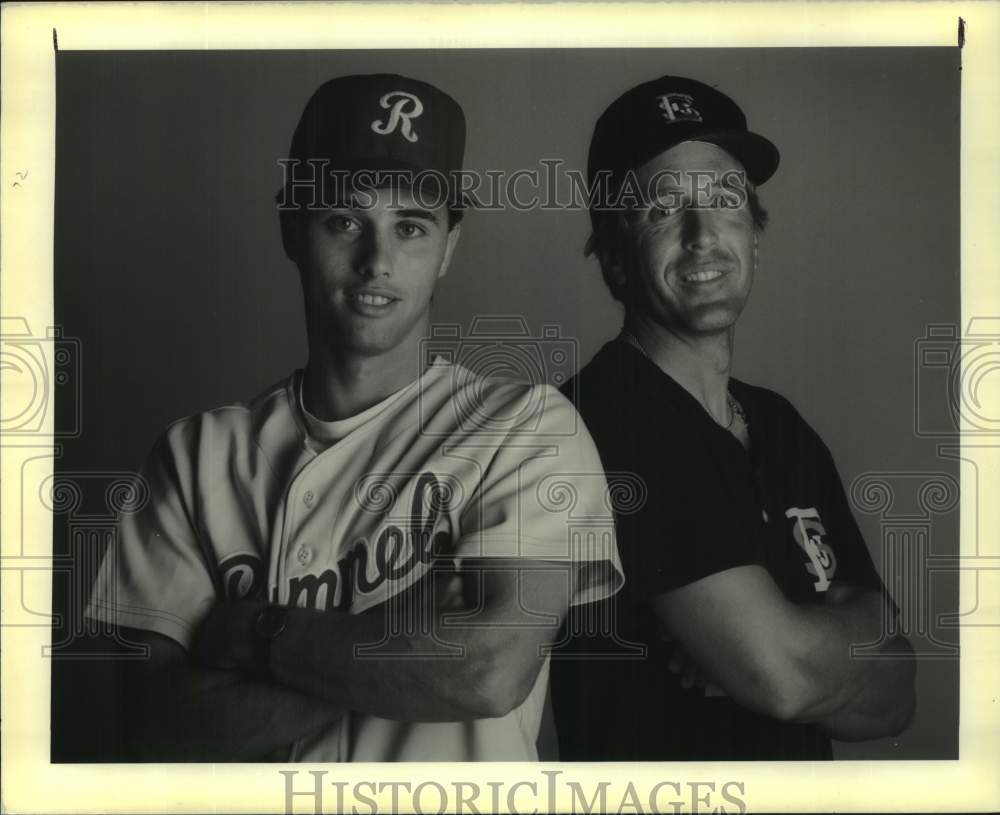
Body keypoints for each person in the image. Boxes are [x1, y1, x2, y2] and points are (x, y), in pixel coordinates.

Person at [85, 73, 622, 762]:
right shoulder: (194, 457)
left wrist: (260, 634)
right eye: (344, 221)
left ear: (449, 248)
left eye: (411, 226)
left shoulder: (527, 431)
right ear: (292, 230)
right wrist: (403, 638)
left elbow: (485, 670)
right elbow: (154, 728)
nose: (378, 261)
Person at [550, 75, 916, 760]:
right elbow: (781, 678)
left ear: (755, 232)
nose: (702, 235)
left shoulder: (781, 427)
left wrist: (799, 645)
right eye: (663, 207)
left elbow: (899, 693)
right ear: (613, 254)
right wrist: (832, 637)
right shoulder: (595, 420)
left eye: (724, 200)